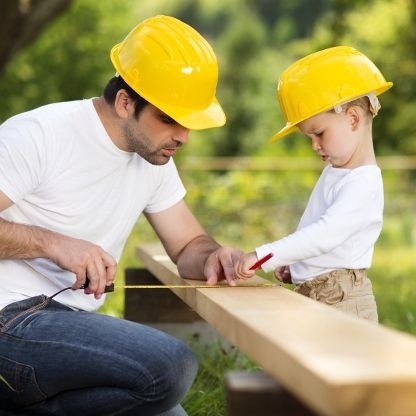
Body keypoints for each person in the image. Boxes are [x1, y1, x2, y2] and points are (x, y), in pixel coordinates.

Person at [0, 15, 243, 416]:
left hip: (65, 322)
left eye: (190, 123)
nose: (182, 136)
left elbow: (188, 245)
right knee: (171, 366)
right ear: (126, 101)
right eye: (169, 119)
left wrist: (216, 256)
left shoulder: (155, 158)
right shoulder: (39, 134)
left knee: (170, 409)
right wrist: (52, 243)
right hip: (10, 318)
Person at [234, 46, 393, 322]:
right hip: (318, 294)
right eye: (309, 137)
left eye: (319, 133)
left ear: (353, 118)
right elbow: (321, 239)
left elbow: (325, 234)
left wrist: (263, 257)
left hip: (343, 301)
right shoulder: (336, 171)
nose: (314, 145)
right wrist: (297, 266)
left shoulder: (363, 183)